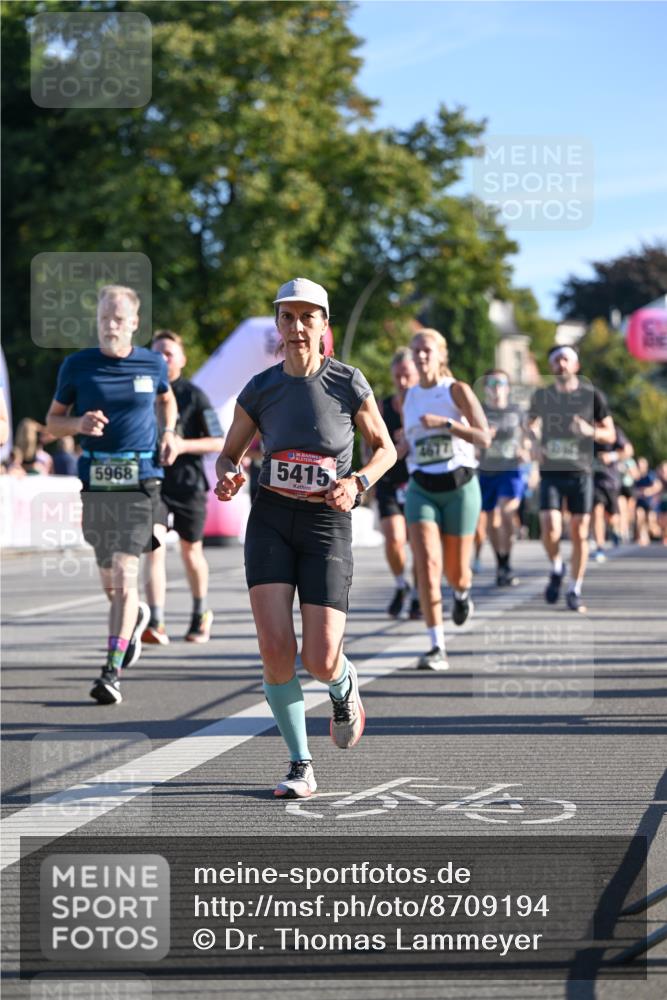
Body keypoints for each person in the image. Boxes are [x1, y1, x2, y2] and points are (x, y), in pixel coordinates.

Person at [214, 277, 396, 799]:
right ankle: (300, 763)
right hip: (271, 518)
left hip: (326, 524)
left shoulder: (348, 382)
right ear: (277, 324)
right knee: (275, 648)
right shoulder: (261, 388)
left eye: (307, 317)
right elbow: (231, 453)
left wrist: (357, 482)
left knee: (318, 657)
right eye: (287, 317)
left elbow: (385, 450)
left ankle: (342, 686)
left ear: (324, 325)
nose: (296, 327)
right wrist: (228, 473)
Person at [46, 285, 178, 705]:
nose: (110, 327)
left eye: (118, 320)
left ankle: (110, 671)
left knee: (124, 573)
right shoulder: (77, 365)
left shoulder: (152, 362)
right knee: (112, 580)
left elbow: (167, 400)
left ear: (134, 323)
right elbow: (52, 422)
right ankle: (134, 615)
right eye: (104, 319)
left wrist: (170, 432)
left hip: (142, 479)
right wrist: (78, 424)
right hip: (97, 481)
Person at [403, 329, 490, 670]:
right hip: (421, 488)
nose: (421, 357)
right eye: (416, 352)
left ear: (441, 354)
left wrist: (447, 424)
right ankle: (436, 644)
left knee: (457, 571)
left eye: (426, 350)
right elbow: (406, 445)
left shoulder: (456, 390)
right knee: (426, 564)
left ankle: (463, 592)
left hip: (459, 487)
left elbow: (484, 437)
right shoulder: (409, 397)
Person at [142, 330, 224, 644]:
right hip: (153, 483)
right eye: (156, 353)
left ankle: (201, 613)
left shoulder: (195, 395)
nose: (162, 359)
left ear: (182, 359)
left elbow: (219, 440)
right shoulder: (142, 391)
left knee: (191, 553)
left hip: (188, 483)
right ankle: (156, 621)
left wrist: (182, 445)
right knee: (154, 548)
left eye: (168, 353)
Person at [528, 345, 615, 612]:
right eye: (556, 361)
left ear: (576, 365)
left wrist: (590, 430)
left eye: (566, 360)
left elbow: (609, 434)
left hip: (581, 471)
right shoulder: (543, 396)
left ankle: (574, 588)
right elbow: (529, 424)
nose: (561, 365)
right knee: (550, 527)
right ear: (552, 368)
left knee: (579, 531)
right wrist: (534, 444)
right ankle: (557, 566)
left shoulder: (592, 396)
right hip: (552, 471)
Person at [375, 347, 421, 619]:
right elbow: (371, 443)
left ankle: (416, 595)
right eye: (398, 377)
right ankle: (401, 584)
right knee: (394, 539)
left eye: (407, 376)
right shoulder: (383, 405)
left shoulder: (425, 405)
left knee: (417, 543)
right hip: (391, 482)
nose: (403, 383)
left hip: (419, 482)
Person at [477, 369, 531, 586]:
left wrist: (525, 449)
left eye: (501, 383)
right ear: (486, 387)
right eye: (491, 383)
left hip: (511, 469)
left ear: (508, 388)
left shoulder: (517, 411)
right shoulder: (480, 411)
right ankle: (501, 563)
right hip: (486, 470)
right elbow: (470, 438)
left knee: (507, 514)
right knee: (491, 521)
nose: (496, 387)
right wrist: (480, 440)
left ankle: (507, 562)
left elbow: (528, 436)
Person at [591, 425, 629, 561]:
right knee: (596, 511)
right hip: (593, 481)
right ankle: (599, 547)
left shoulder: (614, 431)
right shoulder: (585, 429)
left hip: (610, 481)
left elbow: (628, 450)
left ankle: (615, 531)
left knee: (612, 518)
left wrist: (611, 456)